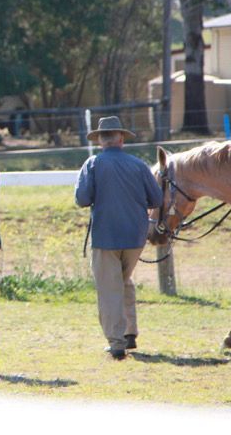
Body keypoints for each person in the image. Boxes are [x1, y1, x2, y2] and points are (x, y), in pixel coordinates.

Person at [74, 116, 162, 360]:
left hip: (106, 236)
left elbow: (81, 199)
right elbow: (156, 199)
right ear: (121, 138)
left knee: (109, 288)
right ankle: (130, 332)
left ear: (101, 140)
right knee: (124, 281)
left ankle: (117, 342)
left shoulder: (93, 164)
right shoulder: (139, 165)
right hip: (135, 237)